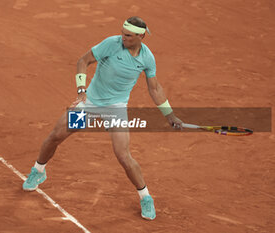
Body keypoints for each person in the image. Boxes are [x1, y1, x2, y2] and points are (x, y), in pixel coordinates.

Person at [22, 16, 183, 220]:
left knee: (123, 155)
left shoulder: (147, 58)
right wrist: (81, 90)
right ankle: (38, 170)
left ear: (141, 36)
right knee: (55, 136)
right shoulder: (111, 44)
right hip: (89, 103)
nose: (123, 37)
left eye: (128, 36)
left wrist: (170, 115)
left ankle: (145, 197)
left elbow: (155, 88)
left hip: (115, 108)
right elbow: (83, 61)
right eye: (123, 33)